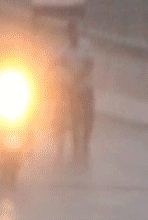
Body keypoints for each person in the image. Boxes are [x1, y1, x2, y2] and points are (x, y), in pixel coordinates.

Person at [56, 18, 94, 164]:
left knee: (89, 115)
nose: (72, 35)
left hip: (85, 86)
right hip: (72, 89)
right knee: (72, 116)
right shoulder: (65, 50)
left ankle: (86, 141)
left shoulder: (85, 46)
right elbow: (58, 63)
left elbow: (90, 64)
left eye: (74, 32)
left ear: (77, 33)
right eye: (69, 33)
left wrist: (79, 77)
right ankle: (73, 143)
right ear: (67, 35)